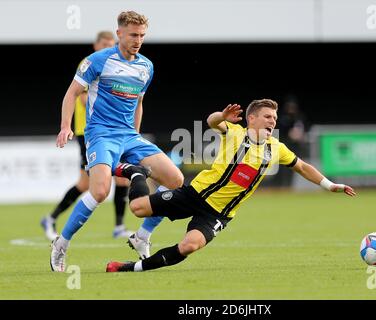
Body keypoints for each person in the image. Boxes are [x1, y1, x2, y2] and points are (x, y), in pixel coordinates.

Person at [105, 99, 356, 273]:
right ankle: (136, 171)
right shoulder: (235, 133)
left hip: (218, 213)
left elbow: (302, 167)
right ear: (252, 118)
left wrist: (329, 184)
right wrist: (222, 117)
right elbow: (212, 121)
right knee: (137, 208)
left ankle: (129, 268)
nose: (273, 121)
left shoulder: (276, 148)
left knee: (188, 246)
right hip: (194, 194)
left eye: (275, 118)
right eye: (268, 116)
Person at [50, 11, 184, 272]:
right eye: (133, 35)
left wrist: (134, 136)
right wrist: (66, 127)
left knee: (176, 181)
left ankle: (142, 236)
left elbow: (139, 104)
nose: (138, 40)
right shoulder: (97, 61)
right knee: (99, 191)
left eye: (142, 36)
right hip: (100, 134)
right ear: (119, 33)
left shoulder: (146, 66)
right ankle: (61, 244)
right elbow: (71, 94)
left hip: (129, 136)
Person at [41, 31, 135, 241]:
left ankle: (119, 226)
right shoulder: (90, 63)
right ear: (95, 45)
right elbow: (83, 98)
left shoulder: (114, 65)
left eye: (110, 44)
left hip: (111, 132)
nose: (107, 47)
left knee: (120, 180)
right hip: (90, 133)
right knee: (86, 185)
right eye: (104, 44)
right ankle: (51, 218)